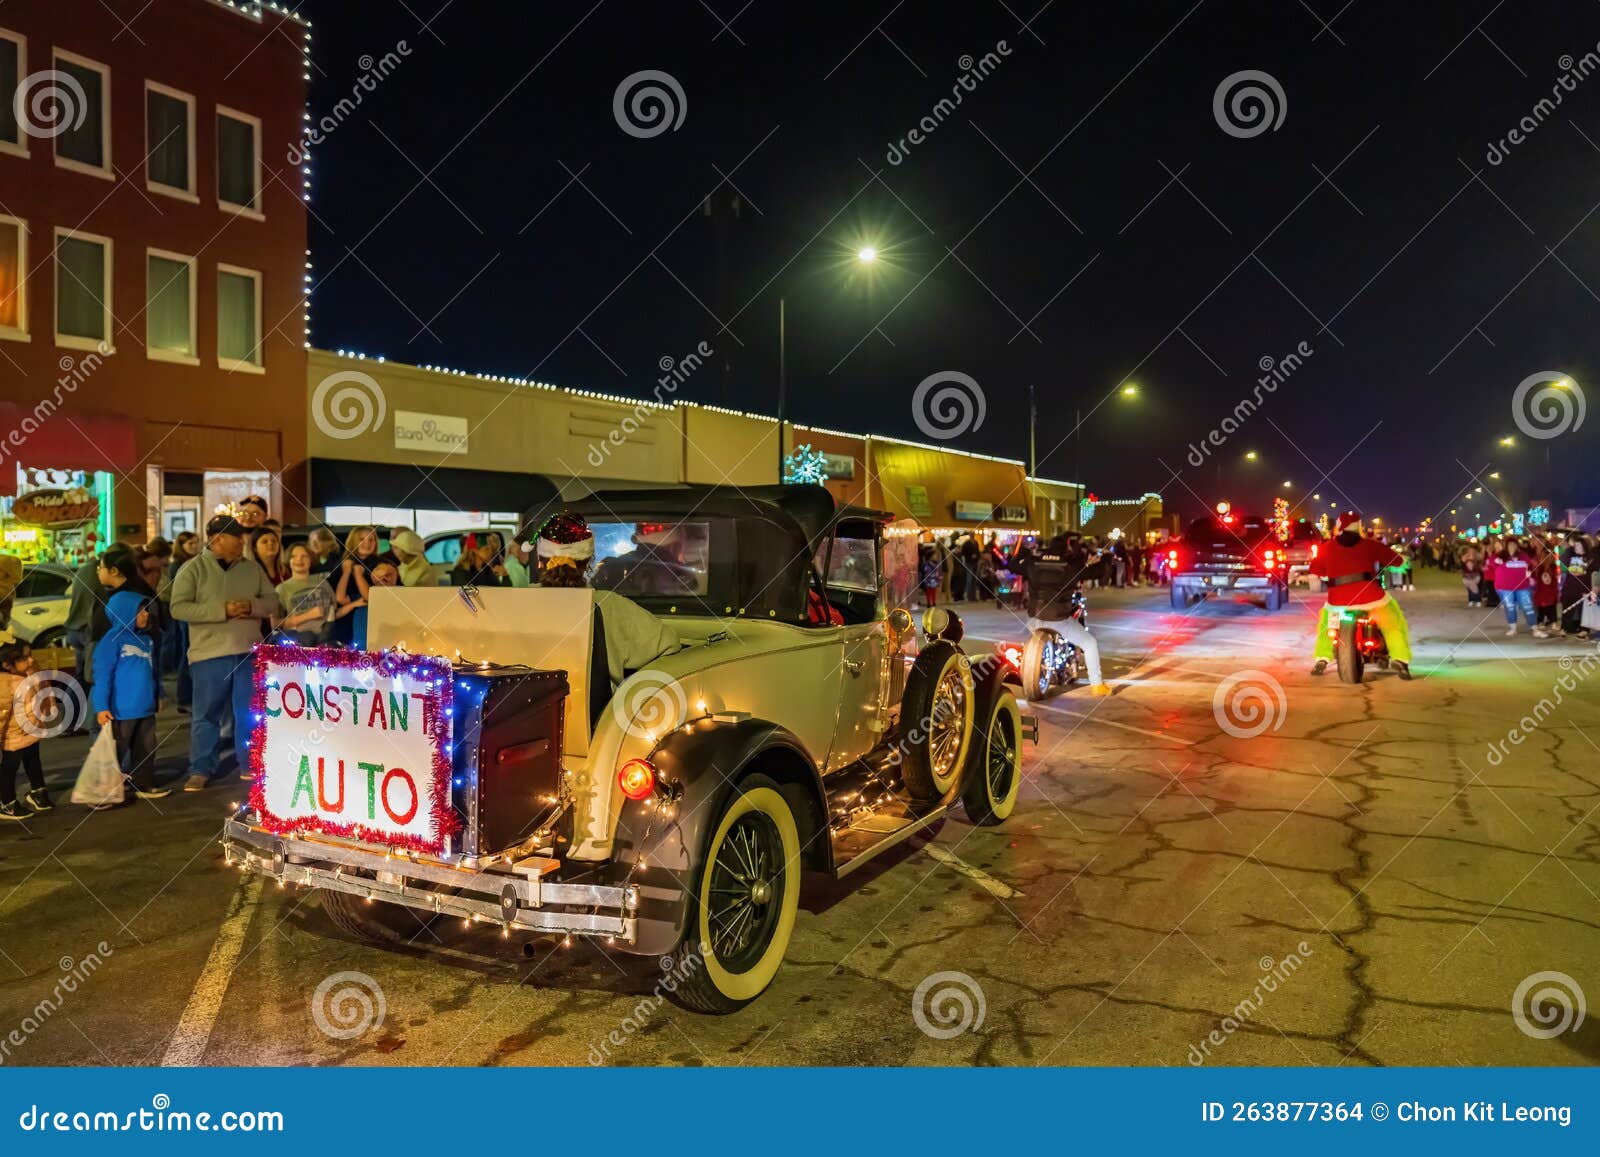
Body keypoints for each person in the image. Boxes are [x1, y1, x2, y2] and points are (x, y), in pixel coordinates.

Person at [170, 514, 278, 792]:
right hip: (208, 655)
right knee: (207, 715)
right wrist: (222, 610)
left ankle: (249, 763)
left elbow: (273, 602)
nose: (242, 542)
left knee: (248, 712)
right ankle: (201, 769)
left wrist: (252, 606)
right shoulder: (192, 569)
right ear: (217, 540)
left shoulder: (251, 569)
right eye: (236, 537)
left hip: (248, 652)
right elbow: (177, 608)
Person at [533, 512, 681, 687]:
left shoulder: (514, 603)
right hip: (597, 714)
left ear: (540, 560)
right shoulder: (613, 607)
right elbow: (669, 644)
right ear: (588, 562)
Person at [91, 549, 168, 802]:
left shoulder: (147, 641)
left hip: (144, 708)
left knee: (145, 749)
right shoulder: (110, 642)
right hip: (121, 710)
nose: (146, 614)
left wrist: (159, 695)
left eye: (146, 610)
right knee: (116, 750)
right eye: (140, 611)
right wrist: (101, 707)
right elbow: (102, 677)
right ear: (124, 613)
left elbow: (153, 671)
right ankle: (106, 789)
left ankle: (143, 784)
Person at [1308, 511, 1413, 679]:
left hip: (1337, 600)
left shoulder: (1327, 547)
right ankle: (1400, 659)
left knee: (1326, 625)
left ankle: (1322, 657)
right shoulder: (1370, 545)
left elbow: (1315, 569)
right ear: (1359, 528)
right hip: (1371, 598)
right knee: (1393, 624)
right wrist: (1402, 560)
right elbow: (1398, 562)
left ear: (1339, 528)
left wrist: (1329, 574)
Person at [1023, 532, 1112, 696]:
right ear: (1066, 548)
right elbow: (1097, 572)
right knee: (1089, 643)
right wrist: (1107, 558)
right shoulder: (1070, 564)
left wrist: (1024, 552)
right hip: (1058, 618)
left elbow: (1012, 565)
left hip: (1034, 617)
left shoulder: (1033, 561)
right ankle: (1097, 685)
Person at [0, 641, 51, 819]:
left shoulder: (30, 670)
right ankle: (6, 802)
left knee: (33, 757)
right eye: (23, 658)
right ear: (7, 665)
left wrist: (48, 705)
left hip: (30, 727)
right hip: (12, 735)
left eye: (30, 655)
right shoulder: (4, 683)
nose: (30, 660)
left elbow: (43, 686)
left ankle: (38, 791)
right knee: (10, 766)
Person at [274, 543, 338, 645]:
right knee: (307, 637)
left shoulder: (322, 581)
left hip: (327, 637)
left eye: (304, 556)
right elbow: (276, 624)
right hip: (300, 640)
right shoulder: (282, 588)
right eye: (293, 556)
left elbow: (334, 610)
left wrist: (354, 604)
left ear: (311, 559)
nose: (299, 560)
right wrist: (310, 615)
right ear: (288, 560)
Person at [1486, 538, 1536, 636]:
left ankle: (1535, 628)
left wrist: (1531, 578)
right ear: (1506, 546)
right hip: (1505, 588)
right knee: (1510, 607)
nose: (1512, 547)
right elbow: (1491, 563)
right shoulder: (1499, 556)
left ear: (1517, 546)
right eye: (1510, 545)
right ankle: (1513, 628)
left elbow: (1530, 566)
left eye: (1514, 544)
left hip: (1522, 587)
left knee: (1528, 606)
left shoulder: (1523, 556)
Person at [1561, 537, 1593, 638]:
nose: (1577, 547)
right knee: (1567, 607)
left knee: (1583, 610)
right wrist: (1570, 548)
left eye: (1579, 545)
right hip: (1570, 586)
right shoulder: (1570, 556)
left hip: (1583, 587)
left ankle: (1584, 629)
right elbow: (1563, 559)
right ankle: (1564, 628)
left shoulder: (1590, 558)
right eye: (1576, 545)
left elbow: (1592, 573)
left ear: (1584, 546)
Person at [1531, 537, 1561, 639]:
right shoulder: (1539, 568)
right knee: (1541, 609)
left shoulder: (1553, 567)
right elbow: (1535, 577)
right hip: (1541, 592)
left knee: (1551, 608)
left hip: (1550, 592)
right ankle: (1540, 622)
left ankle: (1553, 622)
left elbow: (1555, 580)